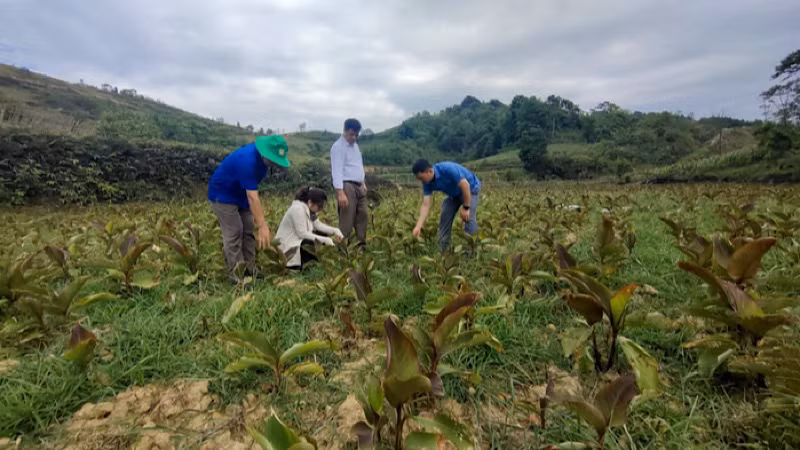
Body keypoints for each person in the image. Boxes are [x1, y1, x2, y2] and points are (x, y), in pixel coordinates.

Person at [208, 135, 290, 282]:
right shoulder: (247, 160)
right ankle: (237, 274)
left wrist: (259, 223)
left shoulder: (264, 162)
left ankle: (250, 269)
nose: (275, 164)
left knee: (248, 229)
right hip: (223, 194)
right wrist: (263, 225)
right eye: (273, 160)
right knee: (234, 231)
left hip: (241, 194)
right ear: (265, 153)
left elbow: (251, 192)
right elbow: (253, 197)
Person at [411, 159, 481, 253]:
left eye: (421, 178)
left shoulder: (447, 169)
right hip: (454, 194)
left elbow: (465, 185)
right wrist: (418, 226)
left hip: (471, 189)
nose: (421, 182)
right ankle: (443, 249)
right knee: (445, 213)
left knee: (469, 218)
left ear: (429, 171)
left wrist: (466, 208)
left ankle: (471, 251)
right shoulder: (426, 183)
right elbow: (425, 205)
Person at [275, 187, 344, 269]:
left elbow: (317, 225)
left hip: (297, 242)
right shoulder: (297, 209)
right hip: (289, 247)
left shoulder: (309, 209)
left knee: (321, 234)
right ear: (310, 202)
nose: (320, 209)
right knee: (309, 242)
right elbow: (302, 234)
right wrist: (326, 240)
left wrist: (335, 231)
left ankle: (314, 264)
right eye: (319, 206)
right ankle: (307, 267)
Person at [330, 118, 368, 246]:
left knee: (363, 214)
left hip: (359, 185)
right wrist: (340, 193)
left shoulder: (355, 146)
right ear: (345, 131)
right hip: (347, 186)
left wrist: (363, 182)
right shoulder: (338, 147)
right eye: (351, 134)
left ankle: (360, 244)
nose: (354, 138)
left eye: (356, 135)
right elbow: (337, 170)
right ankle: (342, 246)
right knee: (347, 218)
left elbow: (358, 165)